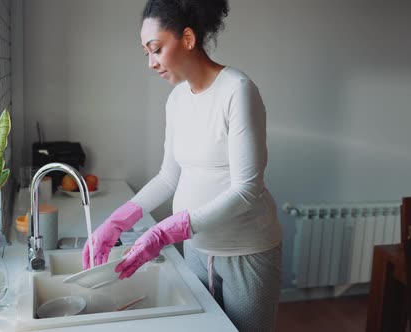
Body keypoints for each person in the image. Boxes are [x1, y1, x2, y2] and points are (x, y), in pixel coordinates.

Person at [82, 0, 283, 331]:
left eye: (156, 49)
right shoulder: (176, 99)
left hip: (246, 252)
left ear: (188, 39)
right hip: (195, 249)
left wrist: (166, 231)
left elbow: (248, 190)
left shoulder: (237, 90)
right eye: (146, 53)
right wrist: (118, 221)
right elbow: (167, 177)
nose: (151, 63)